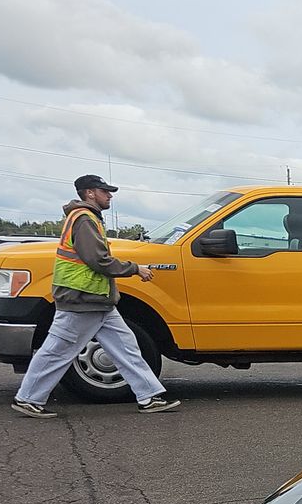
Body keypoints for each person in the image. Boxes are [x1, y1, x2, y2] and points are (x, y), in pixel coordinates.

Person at [11, 174, 180, 417]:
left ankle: (149, 396)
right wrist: (135, 269)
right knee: (58, 350)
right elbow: (98, 260)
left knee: (127, 348)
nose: (109, 195)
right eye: (105, 191)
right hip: (82, 299)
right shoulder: (84, 219)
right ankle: (28, 398)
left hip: (97, 301)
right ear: (90, 193)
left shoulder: (87, 218)